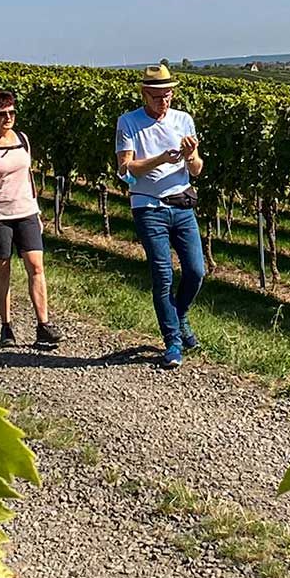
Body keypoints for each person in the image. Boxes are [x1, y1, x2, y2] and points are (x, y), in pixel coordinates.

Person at [115, 63, 205, 369]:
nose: (163, 101)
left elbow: (196, 170)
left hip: (181, 205)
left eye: (167, 95)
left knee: (196, 271)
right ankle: (173, 341)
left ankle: (179, 317)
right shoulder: (129, 122)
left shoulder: (184, 120)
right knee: (163, 274)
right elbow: (125, 170)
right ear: (144, 94)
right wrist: (159, 159)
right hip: (148, 207)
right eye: (157, 96)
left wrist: (191, 155)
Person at [0, 89, 60, 349]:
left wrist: (37, 210)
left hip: (26, 212)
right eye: (2, 113)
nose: (8, 117)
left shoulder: (22, 139)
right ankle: (6, 325)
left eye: (12, 112)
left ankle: (43, 325)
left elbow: (28, 176)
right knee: (2, 268)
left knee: (36, 267)